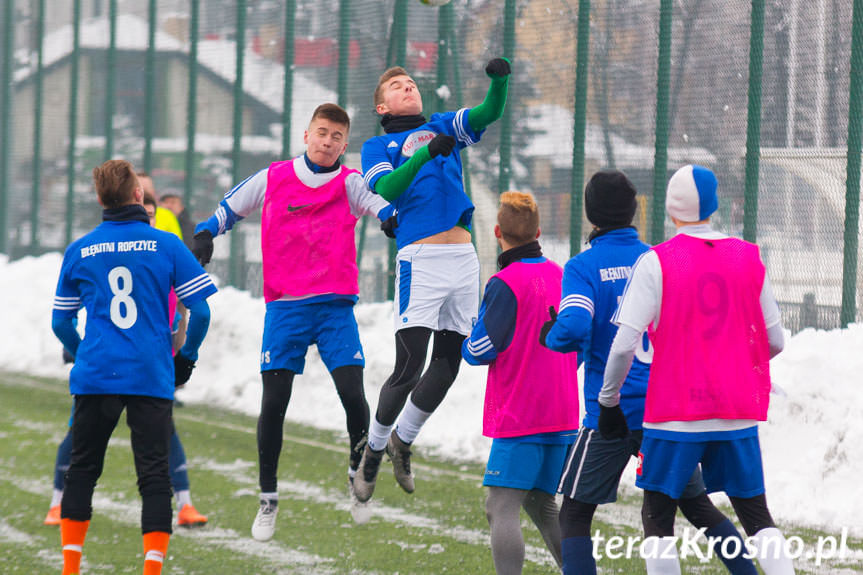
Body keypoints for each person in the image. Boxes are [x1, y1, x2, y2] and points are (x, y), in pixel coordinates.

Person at [191, 103, 392, 540]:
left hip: (335, 307)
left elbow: (380, 205)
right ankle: (268, 498)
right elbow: (231, 207)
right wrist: (206, 232)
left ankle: (357, 481)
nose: (328, 142)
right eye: (322, 133)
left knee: (353, 396)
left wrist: (393, 219)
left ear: (344, 143)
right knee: (274, 402)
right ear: (306, 135)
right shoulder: (274, 176)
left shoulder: (351, 182)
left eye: (337, 137)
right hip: (286, 308)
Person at [542, 169, 758, 575]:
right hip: (666, 411)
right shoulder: (659, 259)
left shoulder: (584, 266)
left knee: (574, 513)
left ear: (591, 214)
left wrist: (551, 335)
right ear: (634, 211)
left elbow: (573, 325)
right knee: (696, 507)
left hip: (610, 413)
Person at [599, 165, 794, 574]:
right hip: (736, 408)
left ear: (671, 210)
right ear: (714, 205)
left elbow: (623, 346)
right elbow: (774, 341)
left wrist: (608, 399)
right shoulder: (748, 256)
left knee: (657, 518)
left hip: (675, 413)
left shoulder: (656, 262)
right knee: (757, 516)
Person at [353, 57, 511, 502]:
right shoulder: (375, 147)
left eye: (411, 84)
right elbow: (385, 190)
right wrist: (425, 153)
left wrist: (499, 81)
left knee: (449, 362)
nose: (408, 89)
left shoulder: (444, 125)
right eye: (398, 87)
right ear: (382, 107)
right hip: (420, 256)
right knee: (408, 366)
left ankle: (404, 440)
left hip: (463, 256)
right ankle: (374, 452)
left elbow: (487, 113)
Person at [52, 159, 217, 575]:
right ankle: (152, 570)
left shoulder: (80, 249)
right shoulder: (165, 244)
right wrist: (186, 358)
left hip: (96, 375)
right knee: (154, 476)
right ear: (139, 196)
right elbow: (199, 313)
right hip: (150, 373)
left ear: (99, 198)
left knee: (83, 471)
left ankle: (71, 568)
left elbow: (60, 322)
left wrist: (83, 350)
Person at [461, 191, 578, 575]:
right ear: (539, 232)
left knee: (500, 507)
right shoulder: (562, 275)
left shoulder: (504, 282)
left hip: (521, 415)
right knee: (542, 504)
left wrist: (460, 340)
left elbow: (481, 348)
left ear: (497, 231)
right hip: (561, 412)